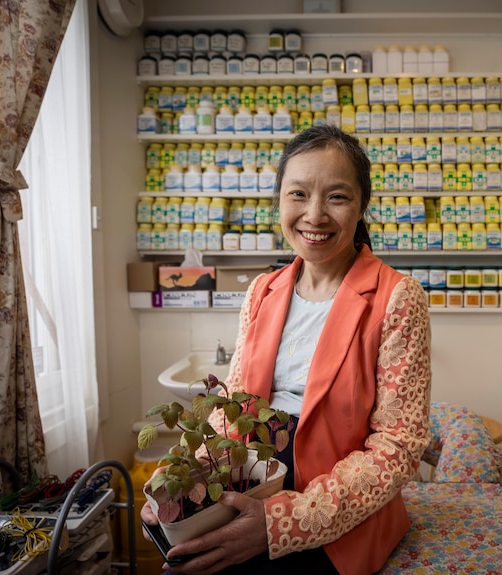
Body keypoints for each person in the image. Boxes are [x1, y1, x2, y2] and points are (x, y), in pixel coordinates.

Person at [141, 124, 432, 575]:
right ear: (279, 200)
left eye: (337, 197)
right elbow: (228, 411)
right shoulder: (263, 290)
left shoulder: (397, 296)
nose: (314, 215)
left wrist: (281, 525)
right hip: (248, 477)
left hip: (335, 509)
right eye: (298, 194)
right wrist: (181, 480)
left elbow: (398, 446)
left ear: (361, 206)